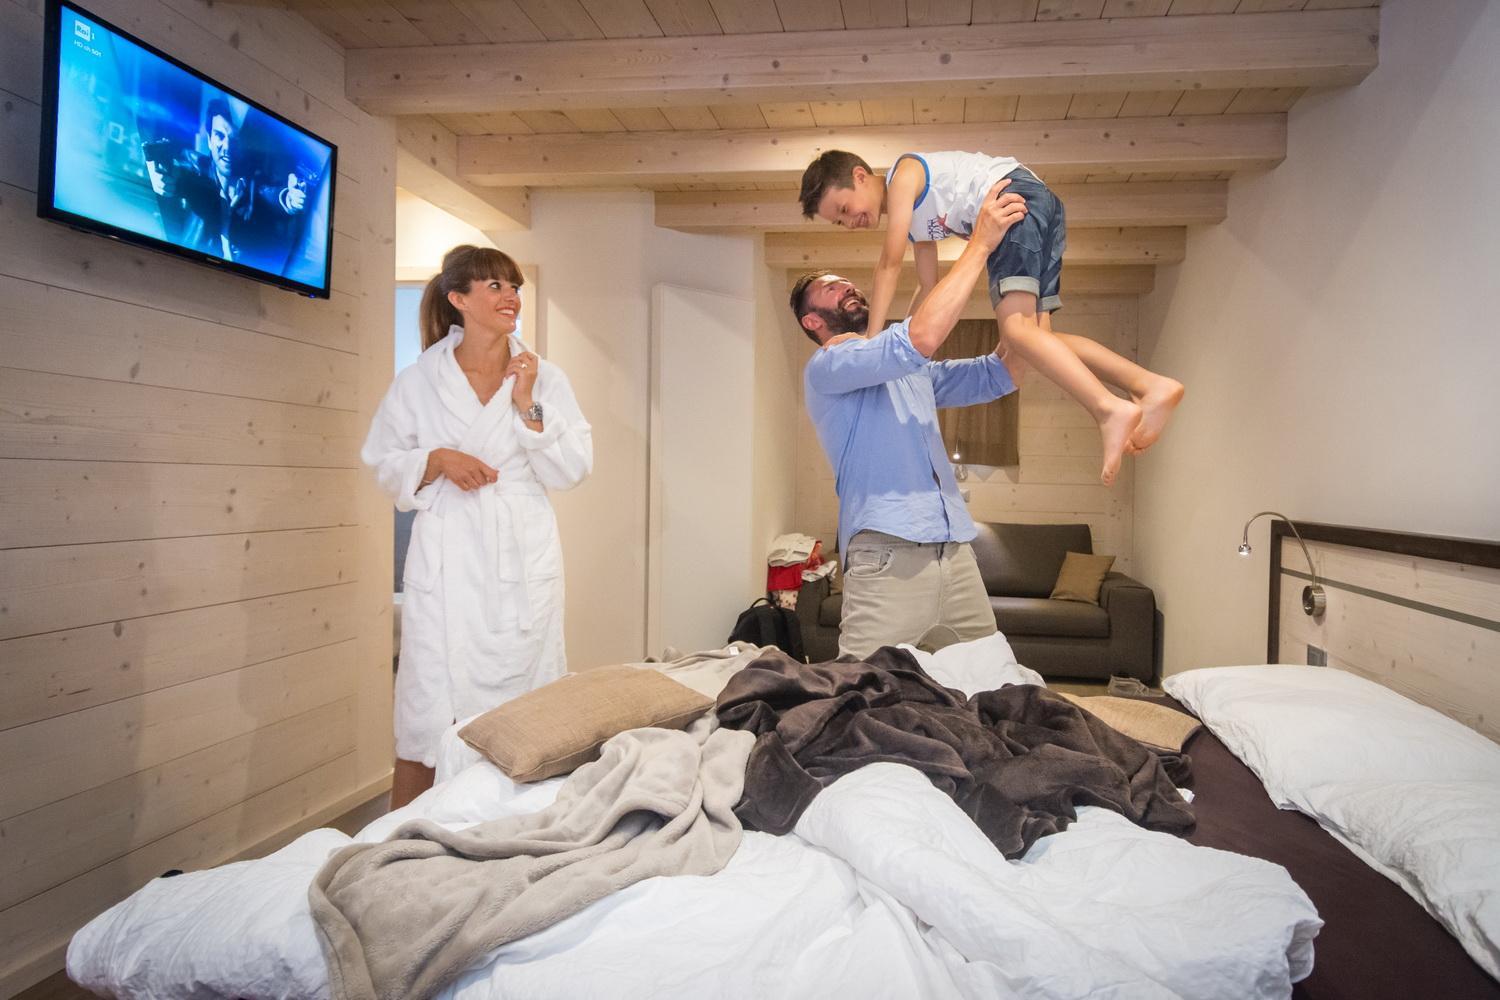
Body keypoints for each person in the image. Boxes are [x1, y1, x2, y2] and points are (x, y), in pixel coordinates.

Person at [799, 149, 1184, 486]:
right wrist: (896, 340)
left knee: (1016, 332)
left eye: (844, 209)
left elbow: (889, 263)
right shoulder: (918, 225)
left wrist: (872, 341)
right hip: (1039, 205)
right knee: (1035, 342)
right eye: (839, 222)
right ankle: (1147, 384)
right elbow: (928, 286)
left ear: (860, 176)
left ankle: (1108, 408)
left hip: (1013, 201)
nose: (850, 222)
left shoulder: (903, 175)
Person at [363, 245, 593, 808]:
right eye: (494, 286)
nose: (510, 296)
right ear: (458, 299)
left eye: (514, 286)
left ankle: (522, 826)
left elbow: (572, 469)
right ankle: (400, 835)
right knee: (427, 706)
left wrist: (527, 403)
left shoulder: (544, 377)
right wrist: (437, 460)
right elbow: (382, 461)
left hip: (520, 557)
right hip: (449, 559)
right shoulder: (420, 381)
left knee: (529, 701)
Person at [792, 180, 1026, 660]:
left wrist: (1026, 297)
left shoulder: (907, 370)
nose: (848, 288)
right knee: (864, 689)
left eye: (848, 283)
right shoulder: (829, 366)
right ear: (812, 322)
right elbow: (917, 339)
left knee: (991, 680)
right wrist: (980, 244)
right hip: (887, 554)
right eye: (832, 289)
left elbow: (1000, 375)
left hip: (955, 553)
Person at [144, 98, 308, 264]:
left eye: (235, 139)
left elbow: (273, 194)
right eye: (220, 136)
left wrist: (290, 199)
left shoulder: (255, 183)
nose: (227, 147)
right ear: (210, 139)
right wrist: (154, 169)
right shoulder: (196, 171)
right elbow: (168, 156)